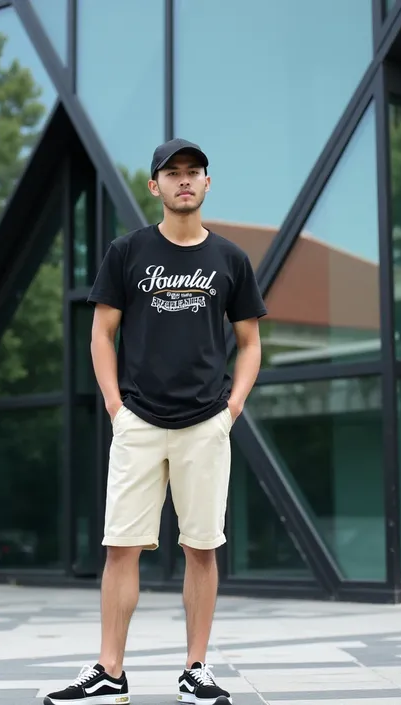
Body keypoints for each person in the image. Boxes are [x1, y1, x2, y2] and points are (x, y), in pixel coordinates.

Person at [43, 138, 267, 705]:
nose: (184, 181)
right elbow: (100, 333)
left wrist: (232, 408)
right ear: (155, 186)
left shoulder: (230, 260)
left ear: (207, 184)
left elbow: (250, 342)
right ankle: (110, 672)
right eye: (173, 174)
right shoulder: (127, 252)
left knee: (201, 548)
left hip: (204, 424)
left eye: (194, 173)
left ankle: (196, 670)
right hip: (139, 419)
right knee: (120, 546)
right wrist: (117, 409)